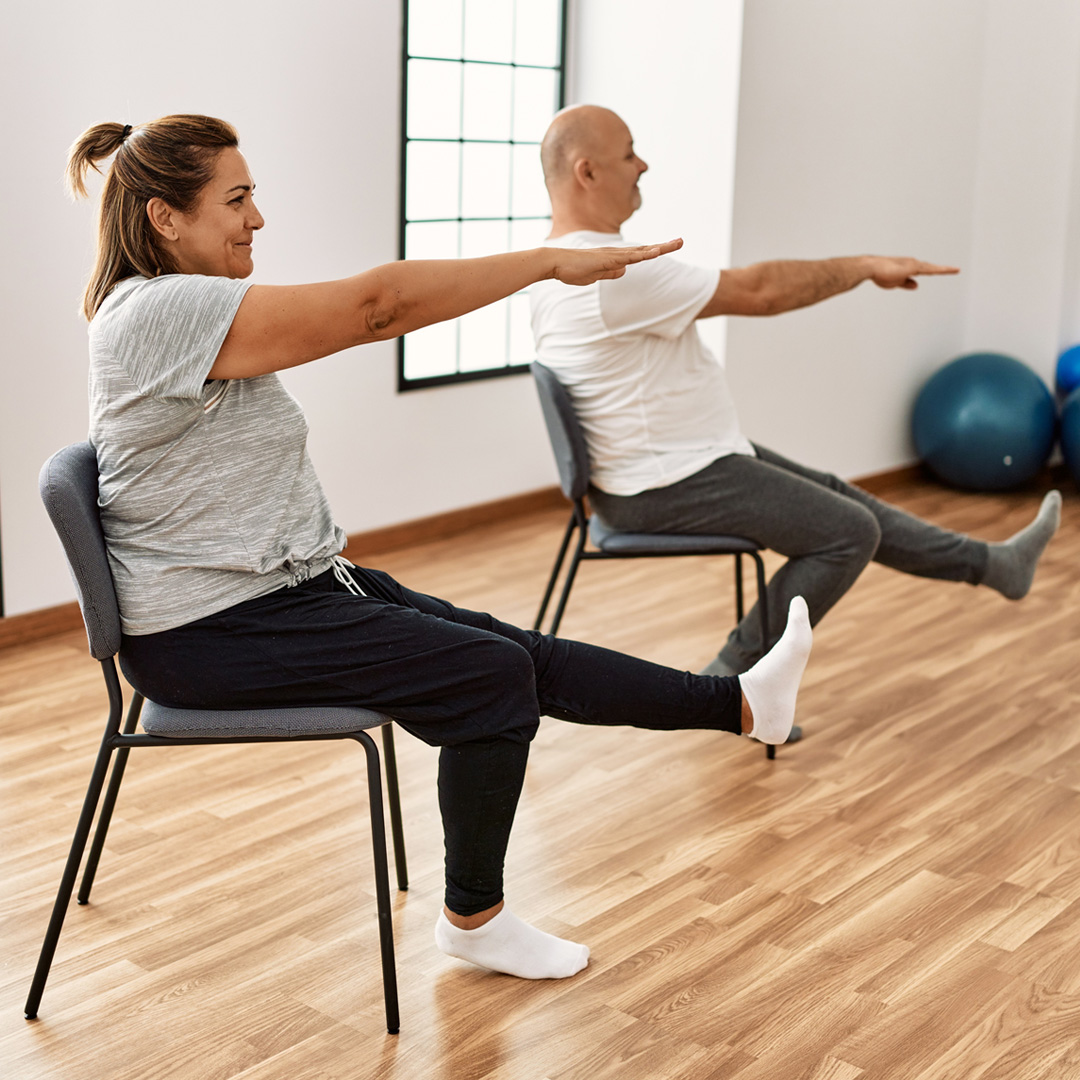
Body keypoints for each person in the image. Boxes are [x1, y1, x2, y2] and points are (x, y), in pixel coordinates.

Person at [68, 114, 814, 983]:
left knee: (512, 653)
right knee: (489, 678)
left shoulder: (190, 308)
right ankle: (475, 919)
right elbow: (377, 306)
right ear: (165, 218)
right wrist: (547, 260)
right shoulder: (157, 312)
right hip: (207, 634)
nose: (257, 220)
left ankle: (743, 704)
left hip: (283, 593)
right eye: (236, 200)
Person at [530, 104, 1061, 684]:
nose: (644, 164)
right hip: (665, 480)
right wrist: (864, 266)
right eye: (629, 152)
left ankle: (995, 565)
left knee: (841, 500)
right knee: (847, 532)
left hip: (675, 462)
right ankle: (730, 684)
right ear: (587, 172)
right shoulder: (614, 273)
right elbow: (760, 292)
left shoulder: (559, 268)